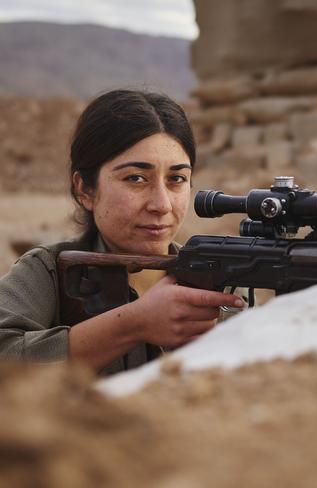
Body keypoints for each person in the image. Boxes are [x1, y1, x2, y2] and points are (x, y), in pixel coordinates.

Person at [0, 90, 245, 375]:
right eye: (136, 178)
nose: (161, 204)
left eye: (177, 179)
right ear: (85, 190)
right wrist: (133, 324)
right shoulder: (48, 272)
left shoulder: (218, 279)